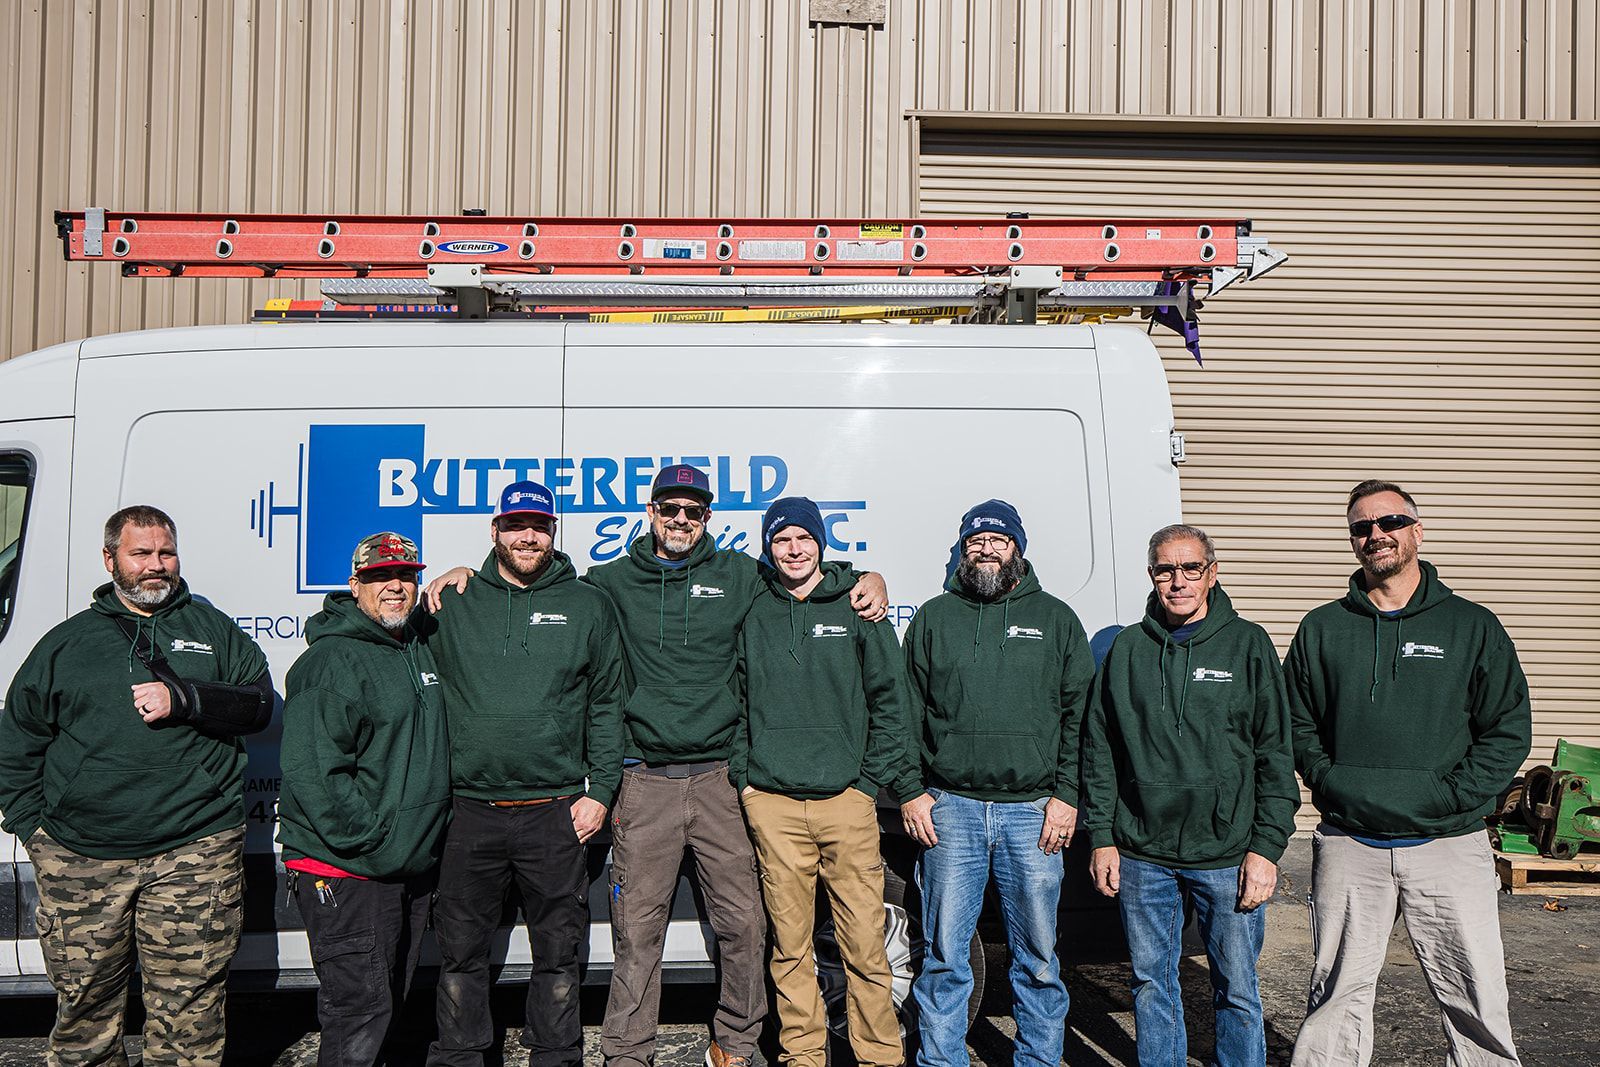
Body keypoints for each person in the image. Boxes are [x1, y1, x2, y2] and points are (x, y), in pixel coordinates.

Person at [427, 464, 887, 1067]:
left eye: (693, 513)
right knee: (637, 934)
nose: (680, 521)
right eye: (669, 510)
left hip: (720, 779)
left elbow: (802, 576)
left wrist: (866, 577)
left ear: (707, 521)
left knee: (744, 927)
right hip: (643, 782)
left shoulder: (740, 576)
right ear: (650, 514)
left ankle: (737, 1043)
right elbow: (532, 577)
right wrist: (464, 572)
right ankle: (627, 1051)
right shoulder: (611, 583)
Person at [0, 504, 273, 1066]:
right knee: (84, 1013)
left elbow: (259, 705)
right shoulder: (66, 644)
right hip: (82, 856)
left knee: (190, 1014)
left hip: (194, 850)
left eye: (165, 552)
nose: (156, 566)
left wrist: (188, 699)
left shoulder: (211, 629)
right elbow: (16, 745)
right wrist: (38, 834)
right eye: (141, 553)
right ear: (111, 560)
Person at [1286, 480, 1531, 1067]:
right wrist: (1331, 780)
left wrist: (1450, 796)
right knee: (1336, 995)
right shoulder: (1323, 628)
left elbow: (1507, 729)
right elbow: (1295, 724)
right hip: (1350, 842)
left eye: (1389, 522)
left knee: (1476, 997)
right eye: (1361, 527)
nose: (1376, 535)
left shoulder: (1471, 626)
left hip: (1448, 841)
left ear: (1416, 531)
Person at [1080, 523, 1300, 1067]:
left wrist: (1266, 848)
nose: (1178, 581)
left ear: (1212, 573)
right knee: (1153, 986)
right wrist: (1103, 838)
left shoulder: (1248, 645)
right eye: (1165, 570)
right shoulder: (1128, 648)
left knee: (1238, 990)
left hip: (1227, 853)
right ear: (1152, 575)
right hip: (1144, 854)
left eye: (1190, 569)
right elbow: (1100, 749)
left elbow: (1276, 752)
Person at [425, 482, 626, 1067]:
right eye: (515, 525)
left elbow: (608, 705)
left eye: (538, 525)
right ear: (495, 531)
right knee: (460, 954)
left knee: (558, 956)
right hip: (469, 811)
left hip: (555, 812)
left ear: (553, 531)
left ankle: (556, 1057)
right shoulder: (452, 602)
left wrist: (602, 793)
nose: (527, 536)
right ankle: (462, 1057)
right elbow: (376, 625)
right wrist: (445, 577)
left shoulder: (589, 604)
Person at [900, 500, 1093, 1067]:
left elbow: (1082, 718)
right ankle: (941, 1060)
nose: (985, 549)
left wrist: (1067, 797)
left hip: (1032, 813)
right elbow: (905, 713)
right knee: (944, 958)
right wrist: (912, 790)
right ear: (962, 551)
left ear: (1018, 549)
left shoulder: (1056, 619)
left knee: (1037, 957)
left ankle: (1038, 1059)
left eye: (998, 540)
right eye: (975, 541)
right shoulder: (935, 618)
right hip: (950, 810)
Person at [733, 496, 919, 1067]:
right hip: (773, 804)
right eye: (782, 539)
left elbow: (892, 705)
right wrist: (748, 782)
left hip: (847, 804)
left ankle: (879, 1057)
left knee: (863, 945)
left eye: (803, 538)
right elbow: (736, 701)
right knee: (790, 949)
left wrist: (866, 784)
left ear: (821, 543)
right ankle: (803, 1057)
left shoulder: (857, 609)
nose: (793, 549)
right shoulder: (753, 610)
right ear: (769, 546)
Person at [277, 531, 452, 1067]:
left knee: (388, 1004)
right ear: (355, 586)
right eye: (380, 577)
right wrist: (376, 839)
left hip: (401, 866)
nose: (396, 586)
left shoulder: (412, 645)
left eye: (406, 576)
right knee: (359, 1012)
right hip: (352, 868)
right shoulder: (331, 663)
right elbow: (314, 774)